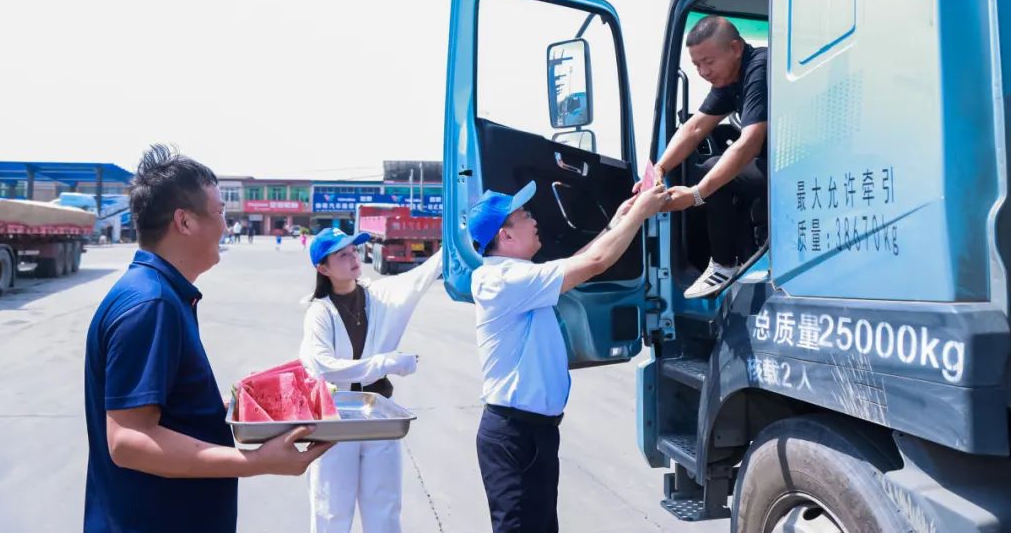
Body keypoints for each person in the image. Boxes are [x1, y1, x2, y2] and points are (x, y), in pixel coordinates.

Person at [83, 145, 333, 533]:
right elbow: (129, 440)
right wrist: (257, 462)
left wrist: (234, 407)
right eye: (219, 213)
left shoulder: (160, 292)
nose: (226, 226)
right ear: (184, 221)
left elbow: (166, 409)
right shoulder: (152, 304)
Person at [469, 180, 668, 533]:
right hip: (515, 434)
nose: (534, 220)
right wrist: (640, 212)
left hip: (533, 432)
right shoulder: (501, 280)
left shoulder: (519, 277)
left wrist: (617, 222)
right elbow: (595, 262)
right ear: (506, 235)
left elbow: (578, 262)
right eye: (524, 215)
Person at [299, 227, 442, 533]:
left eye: (353, 250)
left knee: (384, 507)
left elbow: (422, 275)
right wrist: (386, 363)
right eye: (342, 255)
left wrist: (463, 238)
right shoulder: (319, 312)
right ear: (323, 269)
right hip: (334, 418)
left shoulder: (379, 296)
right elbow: (324, 367)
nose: (353, 258)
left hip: (378, 414)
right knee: (332, 509)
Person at [636, 15, 768, 299]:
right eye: (696, 65)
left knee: (712, 169)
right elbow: (694, 128)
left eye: (708, 62)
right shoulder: (729, 81)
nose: (703, 72)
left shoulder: (759, 68)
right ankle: (747, 256)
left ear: (735, 48)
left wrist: (696, 195)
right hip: (773, 168)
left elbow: (750, 143)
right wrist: (659, 168)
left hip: (795, 169)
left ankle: (724, 264)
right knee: (718, 172)